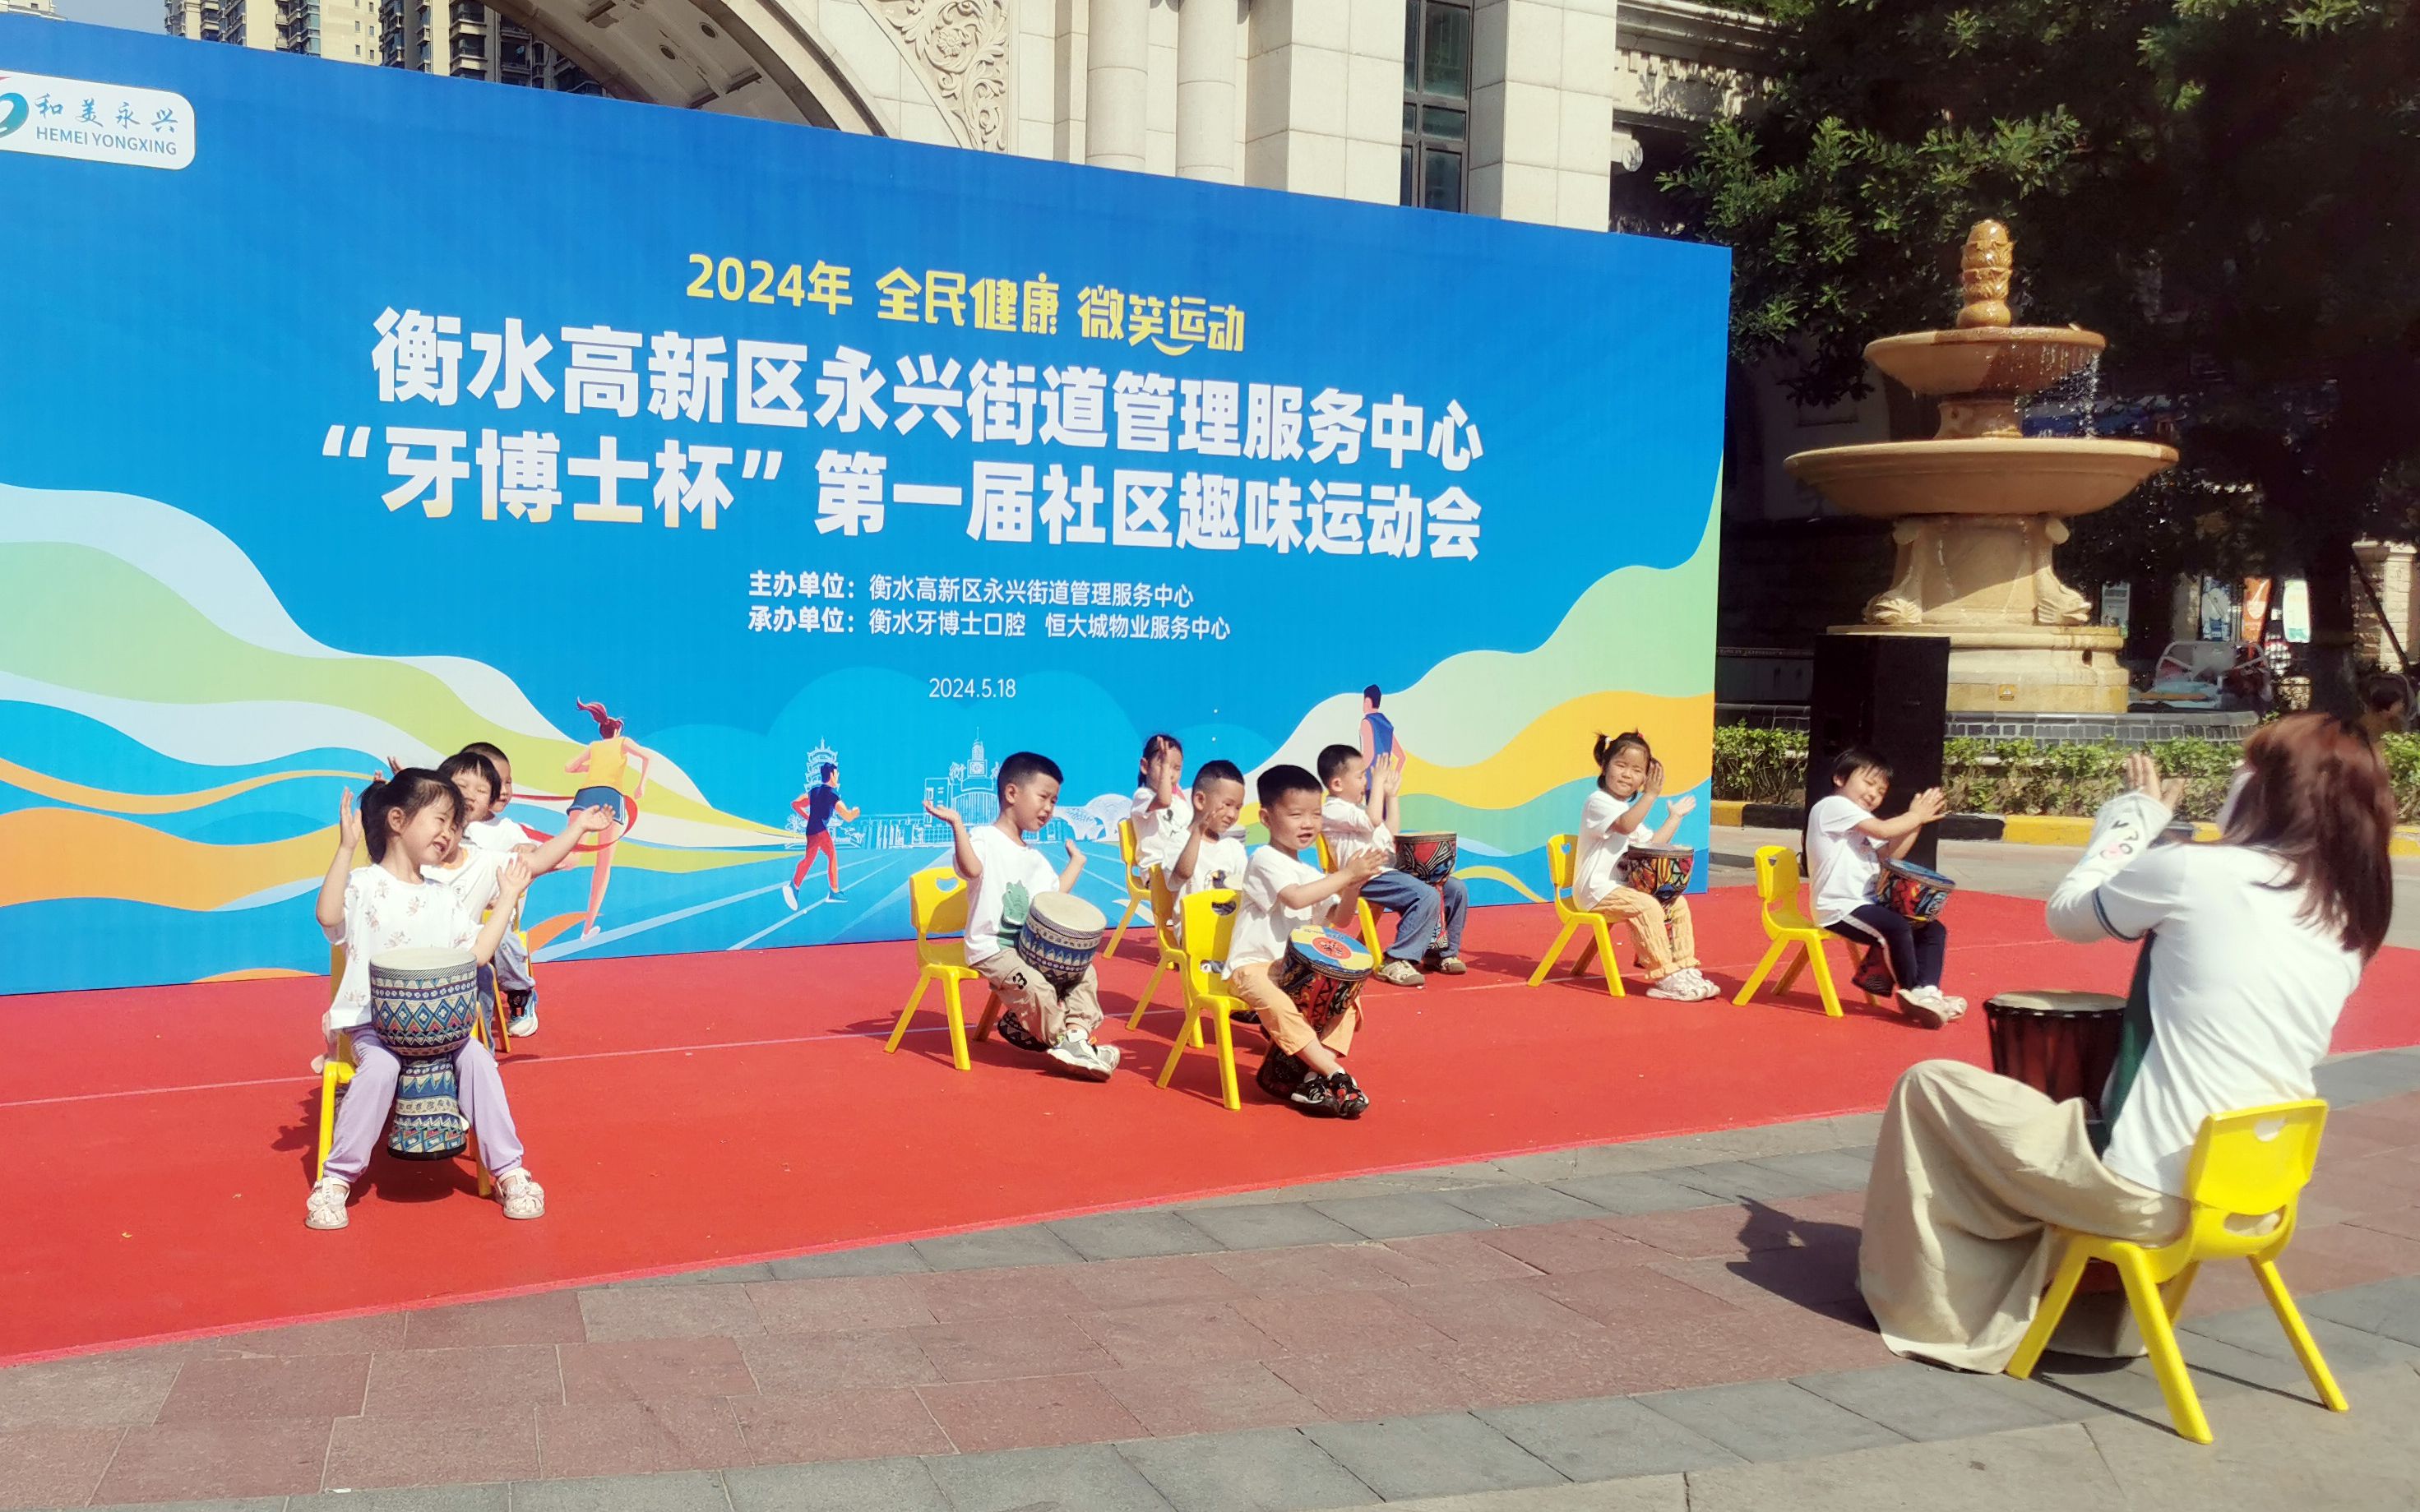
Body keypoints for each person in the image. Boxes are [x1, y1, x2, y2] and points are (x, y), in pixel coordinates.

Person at [1859, 714, 2392, 1371]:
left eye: (2247, 767)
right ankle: (2056, 1300)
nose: (2234, 776)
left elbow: (2070, 914)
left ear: (2275, 790)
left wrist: (2132, 818)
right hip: (2253, 1197)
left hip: (2148, 1196)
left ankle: (1929, 1305)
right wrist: (2155, 837)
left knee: (1928, 1086)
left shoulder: (2197, 871)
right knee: (2066, 1119)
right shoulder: (2344, 910)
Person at [309, 770, 544, 1230]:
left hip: (440, 1030)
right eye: (440, 820)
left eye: (455, 825)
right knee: (381, 1067)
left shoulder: (444, 898)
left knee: (478, 1059)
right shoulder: (363, 885)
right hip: (374, 1026)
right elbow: (328, 915)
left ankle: (510, 1171)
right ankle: (336, 1179)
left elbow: (477, 954)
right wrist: (345, 849)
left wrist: (508, 896)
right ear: (398, 820)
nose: (448, 833)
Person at [923, 751, 1114, 1079]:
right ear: (1012, 793)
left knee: (1084, 972)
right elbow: (971, 869)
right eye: (1043, 797)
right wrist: (957, 826)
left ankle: (1078, 1035)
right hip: (992, 950)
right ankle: (1064, 1042)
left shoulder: (1036, 858)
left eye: (1054, 801)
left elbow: (1053, 899)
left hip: (1027, 950)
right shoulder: (984, 838)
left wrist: (1077, 864)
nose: (1049, 808)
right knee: (1037, 986)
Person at [1226, 764, 1386, 1117]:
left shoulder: (1311, 871)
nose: (1308, 824)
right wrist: (1345, 874)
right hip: (1252, 968)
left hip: (1293, 972)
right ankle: (1336, 1074)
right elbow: (1296, 898)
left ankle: (1311, 1079)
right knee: (1279, 1004)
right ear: (1266, 818)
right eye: (1296, 814)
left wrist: (1353, 884)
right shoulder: (1264, 859)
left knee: (1347, 999)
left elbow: (1340, 919)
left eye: (1315, 814)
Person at [427, 751, 612, 1035]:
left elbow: (537, 861)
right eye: (461, 786)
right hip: (415, 971)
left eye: (480, 790)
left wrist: (579, 828)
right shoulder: (415, 855)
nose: (469, 795)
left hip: (468, 962)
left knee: (490, 957)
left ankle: (513, 999)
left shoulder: (484, 860)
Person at [1805, 746, 1963, 1028]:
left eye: (1880, 791)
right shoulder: (1833, 806)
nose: (1873, 794)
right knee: (1896, 927)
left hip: (1865, 904)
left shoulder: (1859, 820)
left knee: (1931, 928)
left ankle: (1928, 991)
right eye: (1868, 783)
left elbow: (1890, 853)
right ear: (1840, 778)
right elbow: (1884, 830)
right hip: (1838, 906)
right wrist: (1915, 815)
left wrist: (1917, 823)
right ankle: (1913, 992)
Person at [1571, 732, 1718, 1000]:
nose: (1627, 774)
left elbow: (1652, 845)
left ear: (1644, 778)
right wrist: (1650, 795)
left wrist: (1675, 817)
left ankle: (1683, 967)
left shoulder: (1629, 812)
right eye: (1621, 765)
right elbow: (1625, 825)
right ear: (1605, 766)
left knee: (1675, 902)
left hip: (1622, 890)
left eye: (1637, 770)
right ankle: (1664, 974)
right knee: (1647, 905)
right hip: (1595, 891)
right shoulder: (1599, 802)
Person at [1317, 744, 1467, 985]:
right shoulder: (1333, 810)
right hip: (1366, 877)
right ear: (1337, 784)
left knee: (1455, 889)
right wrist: (1378, 784)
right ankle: (1396, 959)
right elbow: (1373, 820)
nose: (1366, 782)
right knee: (1426, 894)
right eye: (1361, 777)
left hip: (1389, 873)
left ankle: (1439, 953)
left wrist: (1391, 795)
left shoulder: (1360, 811)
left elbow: (1390, 833)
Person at [456, 741, 542, 1035]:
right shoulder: (452, 825)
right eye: (495, 782)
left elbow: (535, 857)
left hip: (496, 914)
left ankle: (520, 991)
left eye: (508, 782)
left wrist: (528, 849)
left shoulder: (506, 829)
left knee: (501, 935)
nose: (504, 790)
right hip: (457, 915)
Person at [564, 699, 658, 939]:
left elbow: (569, 768)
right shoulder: (622, 742)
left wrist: (591, 768)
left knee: (569, 857)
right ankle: (587, 929)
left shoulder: (594, 746)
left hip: (586, 795)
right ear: (616, 731)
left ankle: (530, 863)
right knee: (603, 865)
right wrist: (642, 785)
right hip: (609, 798)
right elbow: (648, 757)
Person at [1165, 759, 1248, 946]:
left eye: (1238, 808)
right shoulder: (1178, 841)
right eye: (1227, 804)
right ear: (1200, 800)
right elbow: (1181, 875)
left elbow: (1246, 887)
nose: (1232, 814)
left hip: (1228, 930)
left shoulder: (1233, 847)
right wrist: (1197, 833)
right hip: (1193, 932)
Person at [782, 762, 860, 910]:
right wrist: (855, 812)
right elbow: (847, 816)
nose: (838, 777)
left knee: (809, 860)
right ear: (831, 775)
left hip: (812, 830)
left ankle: (794, 886)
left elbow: (795, 804)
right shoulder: (832, 795)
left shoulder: (814, 791)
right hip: (820, 831)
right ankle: (834, 892)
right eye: (837, 774)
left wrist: (808, 817)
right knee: (831, 854)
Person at [1129, 733, 1191, 885]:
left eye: (1176, 768)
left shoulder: (1179, 802)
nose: (1170, 774)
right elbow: (1164, 801)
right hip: (1156, 873)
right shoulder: (1142, 796)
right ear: (1145, 766)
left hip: (1179, 867)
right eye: (1163, 764)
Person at [1358, 685, 1408, 803]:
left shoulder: (1367, 722)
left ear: (1367, 702)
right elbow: (1402, 757)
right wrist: (1392, 779)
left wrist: (1357, 776)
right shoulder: (1386, 725)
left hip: (1371, 784)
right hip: (1385, 784)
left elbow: (1369, 756)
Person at [2358, 672, 2410, 742]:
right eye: (2398, 704)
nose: (2402, 705)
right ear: (2386, 709)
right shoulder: (2370, 723)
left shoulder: (2397, 719)